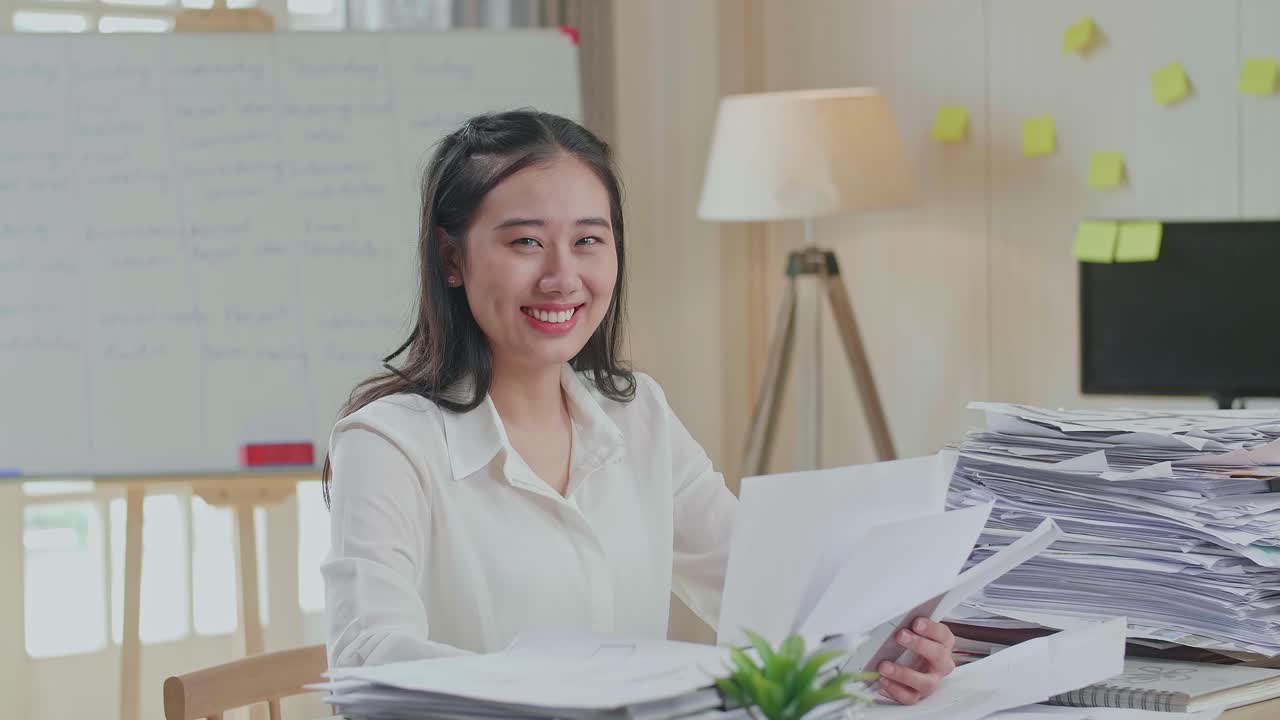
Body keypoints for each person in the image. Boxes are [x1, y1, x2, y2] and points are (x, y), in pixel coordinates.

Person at [321, 109, 956, 705]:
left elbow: (758, 587)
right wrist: (555, 692)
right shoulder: (387, 444)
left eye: (589, 241)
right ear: (451, 257)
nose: (562, 277)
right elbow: (368, 655)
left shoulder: (637, 413)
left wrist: (887, 646)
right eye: (524, 243)